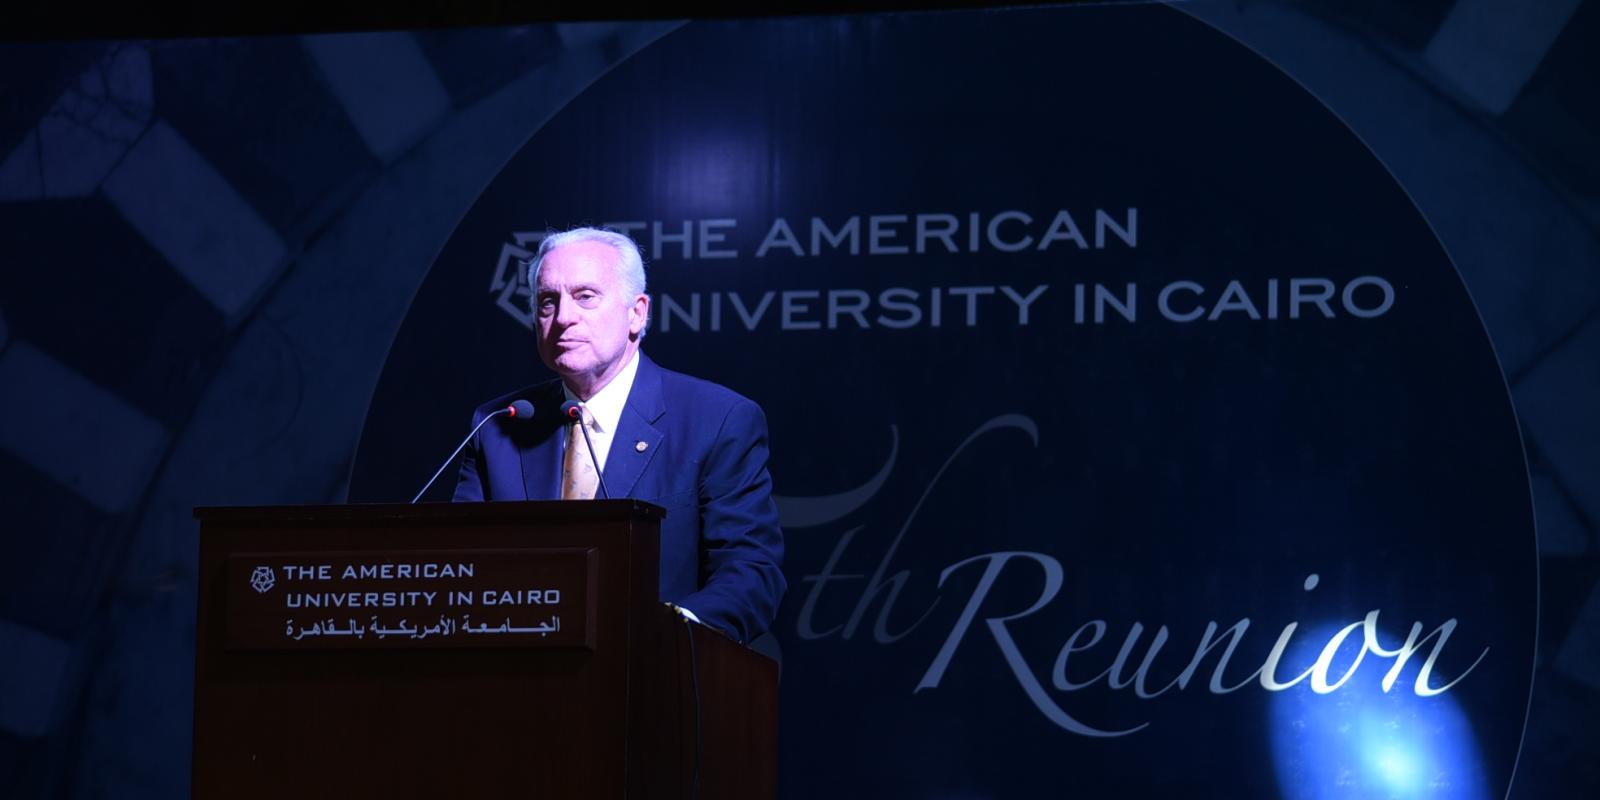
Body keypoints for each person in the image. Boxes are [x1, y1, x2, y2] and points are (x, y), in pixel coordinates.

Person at [452, 227, 785, 642]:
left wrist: (662, 634)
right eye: (547, 302)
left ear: (637, 313)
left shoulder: (717, 420)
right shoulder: (499, 424)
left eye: (585, 296)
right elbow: (461, 570)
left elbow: (751, 573)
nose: (563, 318)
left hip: (653, 680)